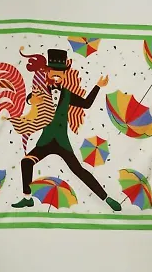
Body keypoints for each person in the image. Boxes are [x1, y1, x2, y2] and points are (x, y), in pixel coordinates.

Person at [11, 49, 122, 212]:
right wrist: (31, 100)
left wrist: (98, 86)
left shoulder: (68, 94)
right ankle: (28, 199)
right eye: (53, 72)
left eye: (60, 73)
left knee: (79, 171)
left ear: (64, 75)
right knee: (26, 162)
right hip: (45, 141)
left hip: (62, 142)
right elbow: (31, 98)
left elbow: (86, 104)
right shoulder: (41, 91)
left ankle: (106, 198)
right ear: (48, 72)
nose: (56, 76)